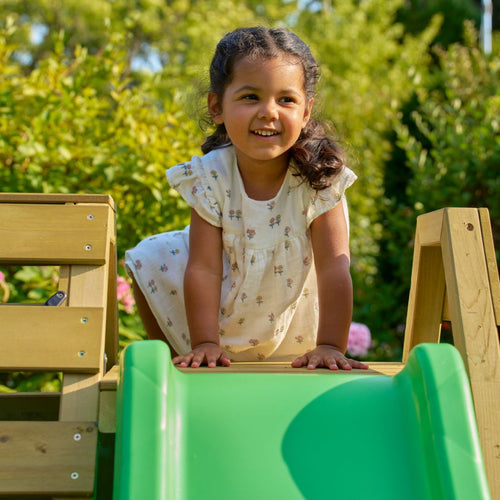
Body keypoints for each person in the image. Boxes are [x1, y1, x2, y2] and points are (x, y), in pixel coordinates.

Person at [125, 26, 368, 371]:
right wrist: (205, 343)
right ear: (216, 106)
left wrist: (330, 345)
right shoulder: (211, 177)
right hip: (223, 300)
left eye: (286, 99)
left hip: (290, 304)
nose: (269, 111)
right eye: (251, 97)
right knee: (150, 255)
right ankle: (175, 362)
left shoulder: (318, 179)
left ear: (306, 111)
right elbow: (205, 268)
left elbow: (334, 268)